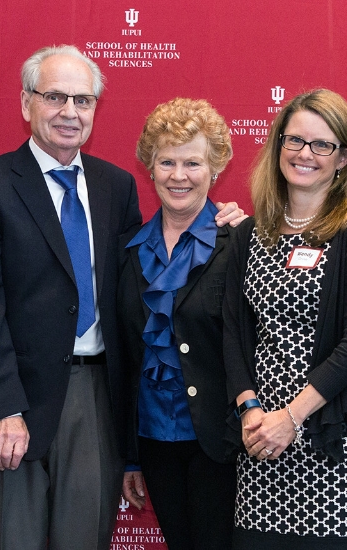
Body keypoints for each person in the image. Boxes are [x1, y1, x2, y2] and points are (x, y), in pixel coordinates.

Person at [0, 46, 244, 550]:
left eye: (82, 100)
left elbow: (136, 290)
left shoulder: (116, 186)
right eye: (55, 97)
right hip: (14, 404)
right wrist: (3, 408)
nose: (70, 112)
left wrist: (225, 221)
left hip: (97, 398)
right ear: (26, 103)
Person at [223, 88, 347, 549]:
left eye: (322, 145)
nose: (305, 154)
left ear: (343, 158)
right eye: (294, 141)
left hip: (334, 443)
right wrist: (251, 411)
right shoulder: (250, 233)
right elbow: (234, 334)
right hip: (260, 442)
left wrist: (291, 418)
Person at [118, 98, 241, 550]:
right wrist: (130, 457)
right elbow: (128, 358)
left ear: (216, 168)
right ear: (150, 168)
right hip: (152, 438)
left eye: (193, 162)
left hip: (221, 440)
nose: (179, 175)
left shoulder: (238, 241)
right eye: (166, 161)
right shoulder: (129, 251)